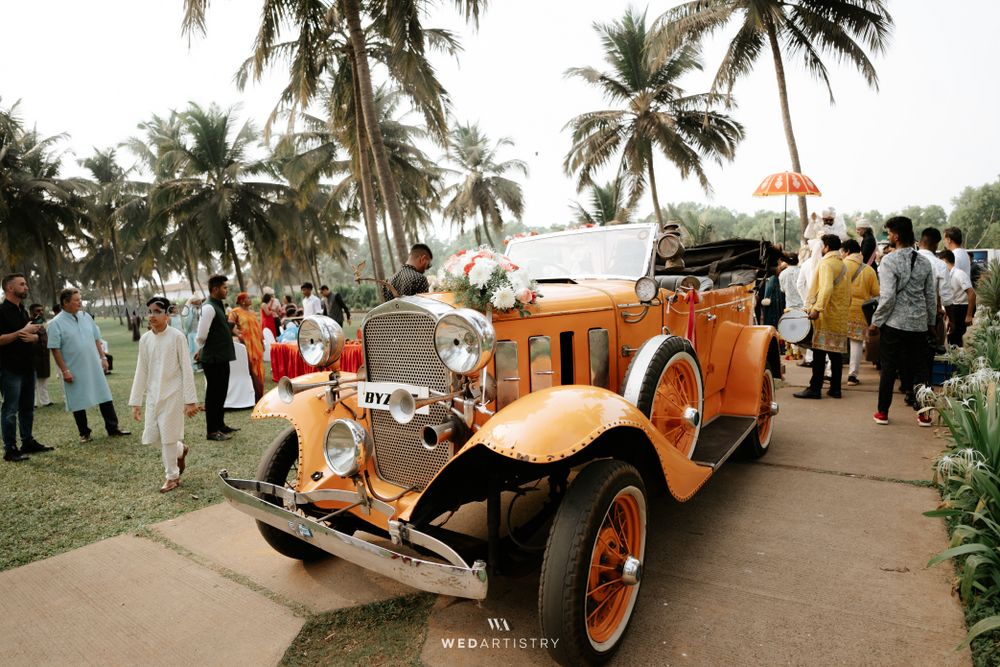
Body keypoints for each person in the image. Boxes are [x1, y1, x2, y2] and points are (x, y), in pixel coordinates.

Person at [869, 216, 937, 426]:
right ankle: (924, 414)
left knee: (889, 368)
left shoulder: (889, 261)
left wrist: (875, 322)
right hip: (918, 324)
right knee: (920, 370)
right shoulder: (925, 262)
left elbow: (888, 297)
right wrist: (931, 323)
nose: (888, 237)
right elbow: (930, 296)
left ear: (896, 236)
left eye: (889, 233)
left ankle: (882, 413)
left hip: (895, 324)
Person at [128, 297, 201, 493]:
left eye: (157, 311)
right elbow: (141, 370)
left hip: (173, 395)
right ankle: (180, 450)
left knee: (168, 437)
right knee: (153, 437)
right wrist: (136, 402)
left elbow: (186, 369)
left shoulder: (177, 337)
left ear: (167, 315)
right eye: (150, 311)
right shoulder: (145, 339)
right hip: (153, 395)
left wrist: (190, 401)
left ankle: (172, 477)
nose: (152, 315)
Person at [48, 288, 130, 442]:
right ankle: (84, 433)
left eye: (80, 299)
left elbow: (96, 338)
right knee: (77, 399)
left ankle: (113, 428)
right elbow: (55, 349)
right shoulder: (55, 323)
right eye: (77, 300)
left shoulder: (86, 317)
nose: (80, 302)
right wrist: (64, 370)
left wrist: (103, 357)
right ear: (65, 303)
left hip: (94, 364)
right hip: (73, 368)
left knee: (105, 395)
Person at [0, 275, 53, 461]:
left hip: (28, 367)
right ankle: (10, 448)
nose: (26, 287)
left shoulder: (22, 310)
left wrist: (35, 338)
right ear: (9, 288)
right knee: (10, 410)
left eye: (25, 284)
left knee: (27, 408)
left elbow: (32, 336)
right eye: (22, 284)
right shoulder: (1, 311)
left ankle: (27, 441)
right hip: (9, 369)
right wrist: (21, 333)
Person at [794, 235, 851, 400]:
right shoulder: (842, 264)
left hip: (826, 315)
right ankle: (835, 389)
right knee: (835, 354)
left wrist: (817, 308)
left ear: (825, 246)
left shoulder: (826, 263)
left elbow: (826, 289)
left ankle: (815, 388)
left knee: (819, 353)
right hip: (839, 315)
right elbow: (848, 292)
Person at [194, 275, 238, 442]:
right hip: (213, 358)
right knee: (213, 395)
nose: (226, 290)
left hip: (220, 357)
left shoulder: (218, 306)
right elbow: (201, 334)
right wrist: (201, 348)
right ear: (215, 289)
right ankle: (212, 431)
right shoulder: (208, 308)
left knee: (221, 393)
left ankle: (220, 425)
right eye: (224, 288)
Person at [841, 239, 880, 386]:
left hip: (842, 308)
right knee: (856, 343)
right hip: (860, 310)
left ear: (847, 251)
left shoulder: (841, 266)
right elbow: (876, 292)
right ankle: (852, 376)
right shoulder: (869, 270)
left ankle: (830, 372)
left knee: (836, 340)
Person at [228, 292, 265, 402]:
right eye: (248, 298)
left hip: (257, 344)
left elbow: (257, 327)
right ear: (242, 300)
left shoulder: (253, 312)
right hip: (246, 344)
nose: (250, 299)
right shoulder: (235, 312)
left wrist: (262, 341)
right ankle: (252, 396)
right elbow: (229, 325)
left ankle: (260, 393)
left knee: (259, 367)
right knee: (250, 367)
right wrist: (239, 335)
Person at [938, 249, 976, 347]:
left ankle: (958, 359)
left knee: (954, 337)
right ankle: (956, 358)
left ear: (944, 261)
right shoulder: (947, 274)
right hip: (954, 307)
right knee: (953, 337)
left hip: (962, 308)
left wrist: (969, 315)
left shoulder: (959, 274)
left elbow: (972, 293)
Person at [29, 304, 54, 408]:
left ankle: (45, 401)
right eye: (38, 311)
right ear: (31, 312)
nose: (40, 313)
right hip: (33, 357)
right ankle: (32, 403)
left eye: (42, 310)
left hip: (44, 357)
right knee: (33, 383)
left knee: (43, 381)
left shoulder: (43, 325)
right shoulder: (29, 324)